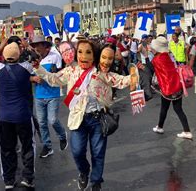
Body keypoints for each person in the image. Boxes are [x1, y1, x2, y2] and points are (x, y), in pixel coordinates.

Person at [34, 40, 138, 191]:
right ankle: (84, 171)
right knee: (77, 151)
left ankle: (96, 181)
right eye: (80, 52)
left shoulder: (100, 72)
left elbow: (120, 80)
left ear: (94, 54)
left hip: (98, 119)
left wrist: (135, 74)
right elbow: (54, 79)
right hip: (78, 119)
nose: (83, 56)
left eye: (88, 52)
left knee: (98, 153)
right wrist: (38, 69)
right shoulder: (71, 71)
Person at [0, 39, 42, 190]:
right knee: (28, 147)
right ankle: (28, 178)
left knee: (6, 148)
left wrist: (2, 45)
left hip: (5, 117)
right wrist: (25, 44)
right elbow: (38, 58)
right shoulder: (26, 67)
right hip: (23, 115)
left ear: (4, 56)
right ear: (19, 55)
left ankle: (9, 180)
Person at [30, 35, 67, 158]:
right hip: (39, 95)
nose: (36, 48)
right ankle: (47, 146)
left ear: (45, 46)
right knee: (42, 123)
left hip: (53, 94)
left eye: (38, 45)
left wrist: (49, 75)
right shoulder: (33, 59)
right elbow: (28, 76)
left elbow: (60, 74)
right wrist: (34, 78)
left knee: (53, 120)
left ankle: (62, 136)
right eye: (34, 46)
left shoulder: (55, 57)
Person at [149, 36, 192, 139]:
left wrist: (147, 56)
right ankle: (185, 130)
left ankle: (161, 127)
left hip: (167, 87)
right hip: (177, 84)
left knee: (164, 108)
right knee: (178, 109)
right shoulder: (168, 55)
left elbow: (150, 68)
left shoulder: (157, 59)